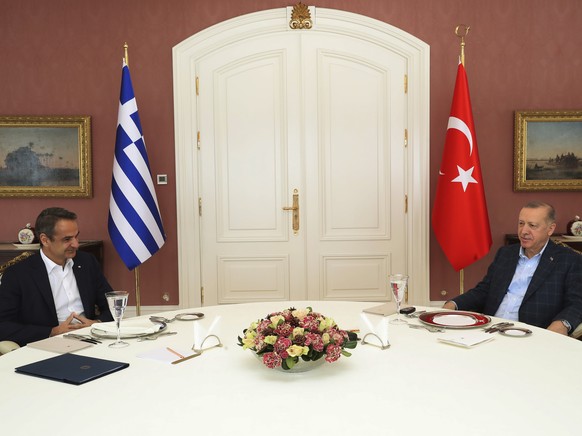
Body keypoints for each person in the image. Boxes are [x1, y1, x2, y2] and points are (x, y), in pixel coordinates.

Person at [443, 201, 582, 335]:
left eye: (532, 225)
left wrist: (562, 323)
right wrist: (453, 304)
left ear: (550, 229)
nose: (524, 231)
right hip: (490, 330)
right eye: (521, 223)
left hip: (532, 335)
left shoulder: (568, 260)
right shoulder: (506, 254)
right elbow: (484, 290)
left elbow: (577, 303)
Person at [0, 207, 114, 346]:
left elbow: (112, 305)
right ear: (45, 240)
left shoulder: (87, 262)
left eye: (76, 236)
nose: (76, 244)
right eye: (67, 239)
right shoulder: (18, 274)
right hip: (46, 346)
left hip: (92, 340)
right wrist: (52, 332)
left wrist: (96, 324)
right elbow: (4, 326)